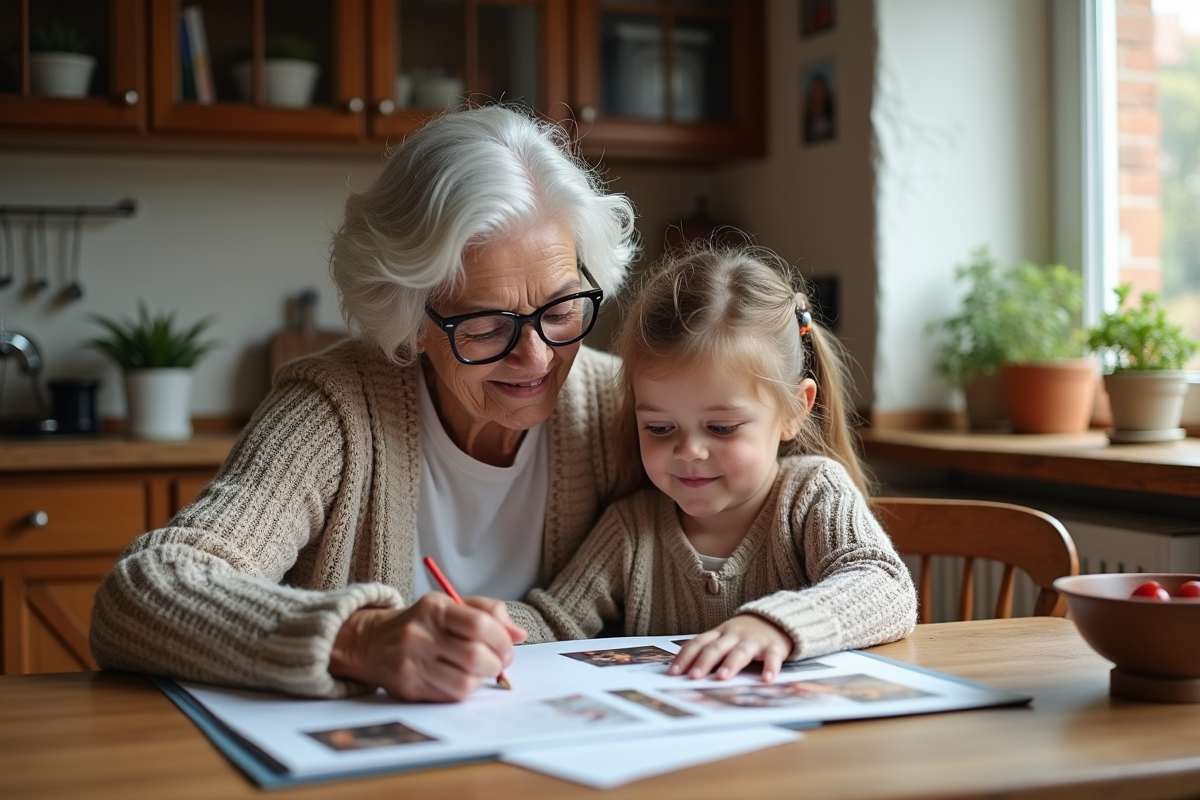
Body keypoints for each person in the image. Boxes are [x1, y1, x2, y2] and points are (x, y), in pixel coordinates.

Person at [88, 105, 638, 701]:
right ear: (410, 321)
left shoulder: (621, 406)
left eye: (560, 311)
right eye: (486, 327)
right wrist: (357, 640)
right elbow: (141, 593)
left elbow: (753, 526)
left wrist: (761, 616)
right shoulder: (334, 411)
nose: (536, 357)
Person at [522, 242, 917, 681]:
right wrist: (490, 628)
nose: (689, 451)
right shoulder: (631, 530)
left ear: (794, 410)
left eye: (722, 428)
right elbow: (555, 623)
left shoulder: (811, 493)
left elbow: (886, 587)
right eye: (659, 428)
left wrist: (774, 625)